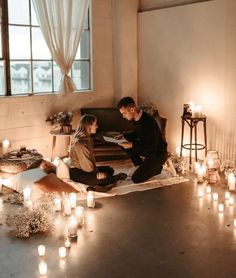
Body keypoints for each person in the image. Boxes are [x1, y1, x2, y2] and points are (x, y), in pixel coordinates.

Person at [69, 114, 127, 191]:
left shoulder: (88, 138)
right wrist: (96, 175)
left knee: (109, 169)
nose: (97, 126)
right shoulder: (80, 143)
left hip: (86, 169)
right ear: (89, 126)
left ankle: (100, 182)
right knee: (104, 178)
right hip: (79, 173)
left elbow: (90, 160)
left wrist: (98, 172)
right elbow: (86, 164)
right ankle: (114, 178)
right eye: (95, 124)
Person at [117, 97, 168, 183]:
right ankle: (140, 165)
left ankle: (158, 169)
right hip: (148, 150)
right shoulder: (136, 118)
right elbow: (138, 133)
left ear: (132, 109)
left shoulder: (147, 122)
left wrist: (131, 144)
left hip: (157, 154)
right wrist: (123, 136)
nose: (123, 116)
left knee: (136, 179)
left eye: (124, 113)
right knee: (123, 145)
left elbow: (152, 146)